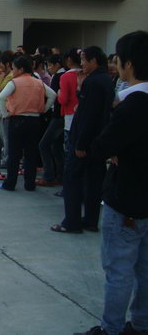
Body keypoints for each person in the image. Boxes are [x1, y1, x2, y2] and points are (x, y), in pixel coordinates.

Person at [77, 31, 148, 335]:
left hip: (127, 199)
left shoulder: (132, 105)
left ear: (128, 64)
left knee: (119, 271)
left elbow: (101, 146)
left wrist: (115, 151)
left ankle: (112, 328)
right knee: (145, 270)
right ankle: (142, 324)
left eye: (118, 60)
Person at [52, 46, 114, 233]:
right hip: (98, 140)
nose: (82, 64)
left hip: (84, 139)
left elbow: (88, 116)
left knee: (72, 178)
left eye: (84, 60)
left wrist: (81, 143)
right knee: (94, 180)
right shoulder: (106, 80)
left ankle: (71, 222)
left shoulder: (93, 82)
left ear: (94, 60)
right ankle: (90, 220)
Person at [0, 56, 56, 191]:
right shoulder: (38, 82)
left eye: (14, 69)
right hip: (34, 120)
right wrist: (44, 109)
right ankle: (30, 183)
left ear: (21, 69)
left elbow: (1, 97)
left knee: (14, 153)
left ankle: (10, 183)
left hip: (16, 119)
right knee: (31, 153)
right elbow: (52, 95)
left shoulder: (14, 82)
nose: (12, 71)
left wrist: (5, 114)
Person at [37, 54, 66, 186]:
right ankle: (60, 175)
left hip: (58, 116)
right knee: (57, 147)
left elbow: (54, 96)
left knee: (44, 145)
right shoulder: (65, 75)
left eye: (49, 65)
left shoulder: (59, 77)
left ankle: (49, 176)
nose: (48, 68)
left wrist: (45, 109)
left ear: (57, 65)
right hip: (64, 116)